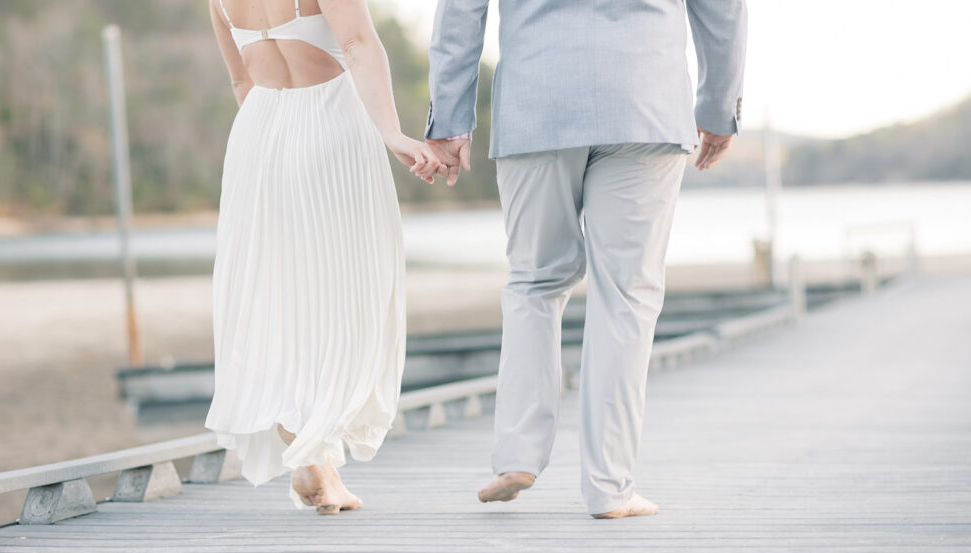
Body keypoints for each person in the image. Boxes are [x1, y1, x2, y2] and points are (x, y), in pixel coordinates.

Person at [426, 0, 748, 519]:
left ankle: (517, 454)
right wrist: (718, 108)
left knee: (535, 281)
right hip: (645, 101)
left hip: (538, 102)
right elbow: (722, 9)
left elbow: (461, 9)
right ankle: (609, 486)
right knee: (626, 295)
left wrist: (451, 119)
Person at [204, 0, 443, 514]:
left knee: (279, 300)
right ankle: (317, 452)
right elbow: (357, 45)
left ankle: (316, 461)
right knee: (347, 296)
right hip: (330, 126)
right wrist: (391, 133)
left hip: (257, 137)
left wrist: (271, 145)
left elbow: (241, 82)